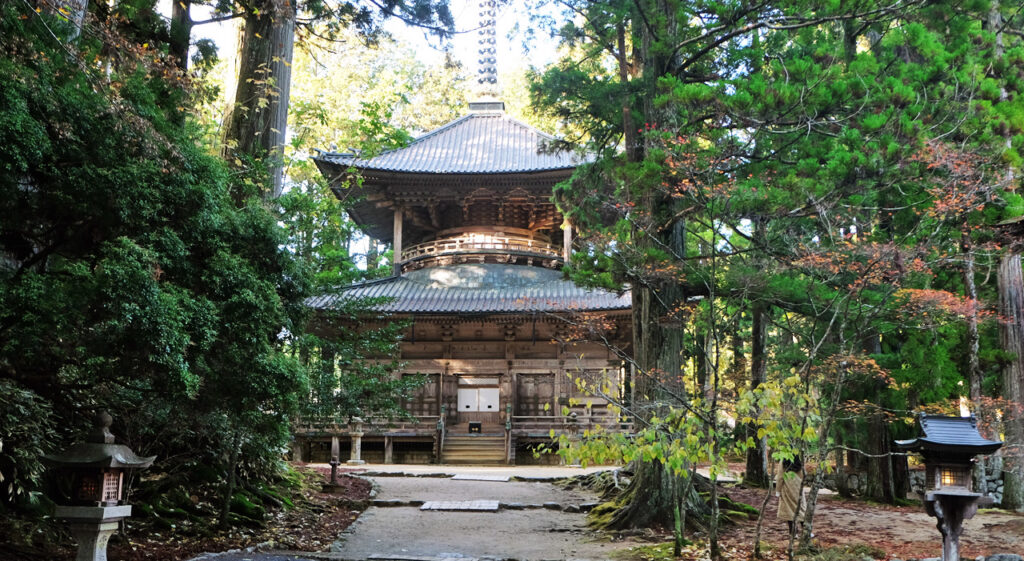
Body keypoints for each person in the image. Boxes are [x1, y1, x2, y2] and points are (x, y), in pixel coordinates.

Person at [776, 456, 805, 534]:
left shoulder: (783, 461)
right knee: (801, 508)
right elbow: (802, 474)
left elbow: (780, 476)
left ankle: (793, 532)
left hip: (787, 485)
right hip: (798, 485)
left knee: (789, 509)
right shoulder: (798, 459)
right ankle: (806, 531)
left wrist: (778, 490)